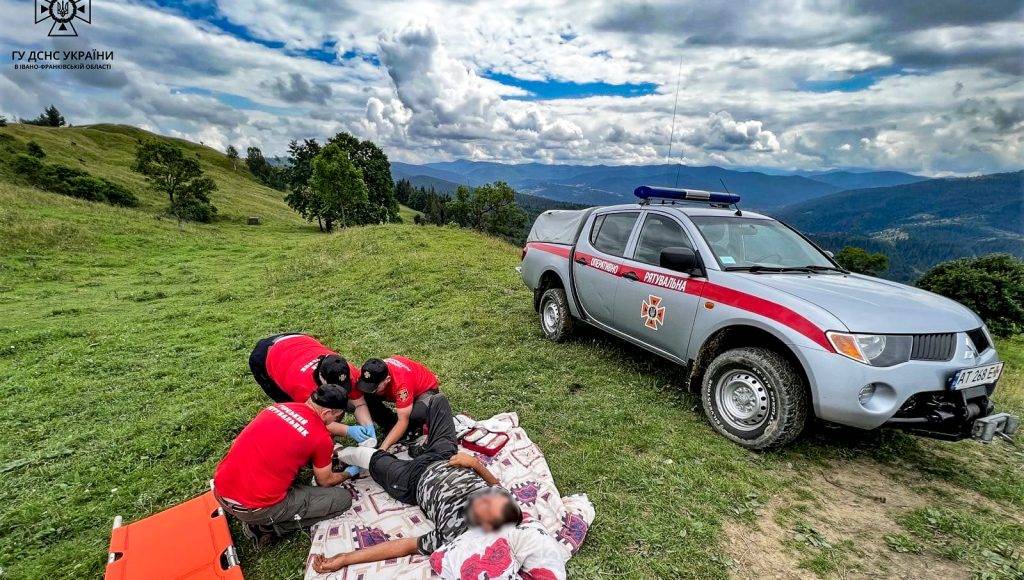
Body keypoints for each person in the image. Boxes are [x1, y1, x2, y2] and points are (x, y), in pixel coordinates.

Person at [311, 394, 522, 572]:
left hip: (410, 479)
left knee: (367, 456)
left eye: (482, 506)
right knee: (438, 400)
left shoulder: (454, 535)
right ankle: (418, 447)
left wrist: (345, 559)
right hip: (446, 456)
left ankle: (339, 451)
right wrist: (475, 464)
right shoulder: (507, 509)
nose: (480, 497)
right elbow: (497, 485)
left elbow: (404, 546)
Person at [212, 383, 356, 545]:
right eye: (337, 417)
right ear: (327, 412)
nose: (336, 421)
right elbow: (326, 481)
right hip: (254, 508)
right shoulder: (320, 438)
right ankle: (267, 528)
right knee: (342, 500)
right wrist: (349, 472)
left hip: (221, 489)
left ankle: (263, 515)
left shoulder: (278, 407)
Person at [248, 333, 374, 441]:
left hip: (297, 339)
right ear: (322, 379)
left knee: (332, 410)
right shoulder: (303, 388)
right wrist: (348, 430)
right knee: (297, 418)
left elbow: (359, 404)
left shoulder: (345, 370)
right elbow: (312, 420)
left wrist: (368, 426)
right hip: (267, 355)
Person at [352, 356, 442, 452]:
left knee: (413, 416)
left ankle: (408, 431)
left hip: (425, 392)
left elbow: (402, 421)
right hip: (398, 388)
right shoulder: (370, 372)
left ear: (387, 380)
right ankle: (390, 425)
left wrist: (382, 449)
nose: (369, 390)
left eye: (374, 387)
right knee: (366, 397)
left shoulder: (402, 385)